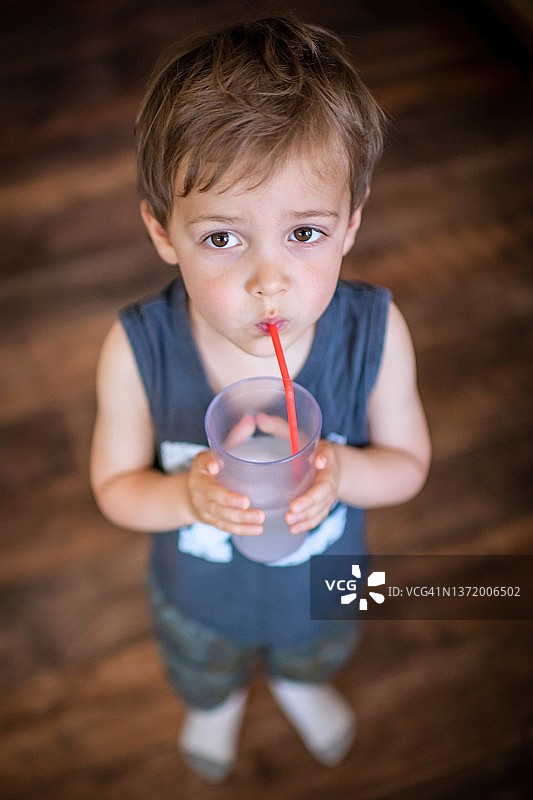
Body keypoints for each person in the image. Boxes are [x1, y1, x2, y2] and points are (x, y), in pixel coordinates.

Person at [90, 16, 431, 783]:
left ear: (350, 224)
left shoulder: (374, 333)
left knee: (319, 647)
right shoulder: (136, 350)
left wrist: (342, 471)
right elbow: (114, 488)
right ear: (163, 232)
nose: (267, 282)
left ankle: (299, 683)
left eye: (304, 233)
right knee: (200, 664)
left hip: (327, 585)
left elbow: (408, 466)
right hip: (197, 598)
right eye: (222, 238)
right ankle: (213, 702)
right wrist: (185, 497)